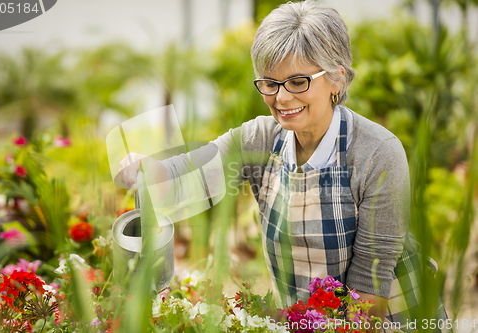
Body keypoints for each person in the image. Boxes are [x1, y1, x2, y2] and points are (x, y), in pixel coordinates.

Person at [119, 0, 443, 328]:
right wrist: (149, 171)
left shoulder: (376, 153)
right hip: (308, 321)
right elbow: (195, 174)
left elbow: (368, 293)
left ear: (337, 79)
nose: (282, 98)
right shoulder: (260, 140)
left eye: (298, 82)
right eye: (270, 83)